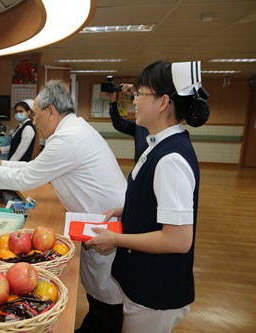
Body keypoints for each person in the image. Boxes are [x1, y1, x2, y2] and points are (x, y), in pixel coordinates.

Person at [0, 80, 128, 333]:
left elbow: (27, 178)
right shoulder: (72, 131)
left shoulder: (68, 139)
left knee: (108, 294)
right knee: (99, 289)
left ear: (51, 111)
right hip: (97, 217)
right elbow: (35, 168)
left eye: (36, 114)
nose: (33, 121)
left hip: (106, 221)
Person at [88, 60, 210, 333]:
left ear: (163, 102)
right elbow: (155, 199)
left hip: (156, 291)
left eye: (140, 94)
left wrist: (115, 239)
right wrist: (127, 210)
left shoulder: (171, 158)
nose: (135, 101)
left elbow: (178, 240)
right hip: (146, 285)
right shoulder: (160, 144)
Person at [108, 84, 149, 162]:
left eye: (143, 95)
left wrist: (135, 93)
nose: (134, 102)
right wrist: (112, 99)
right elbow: (119, 123)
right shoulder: (140, 126)